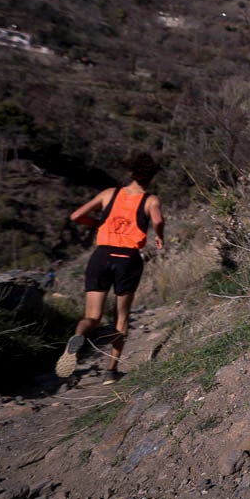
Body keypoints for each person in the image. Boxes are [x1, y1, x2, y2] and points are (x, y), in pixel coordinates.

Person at [55, 153, 165, 382]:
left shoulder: (109, 194)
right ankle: (111, 370)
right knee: (121, 317)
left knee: (92, 316)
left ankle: (78, 336)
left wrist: (97, 223)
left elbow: (76, 215)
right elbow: (158, 221)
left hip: (101, 255)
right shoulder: (150, 200)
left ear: (131, 173)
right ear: (151, 177)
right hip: (128, 259)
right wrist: (159, 236)